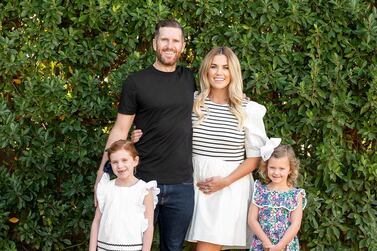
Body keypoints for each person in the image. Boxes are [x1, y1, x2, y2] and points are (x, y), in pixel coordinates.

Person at [132, 46, 280, 250]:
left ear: (233, 72)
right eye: (214, 66)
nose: (219, 73)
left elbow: (253, 159)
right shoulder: (192, 102)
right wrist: (139, 135)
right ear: (206, 71)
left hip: (226, 188)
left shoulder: (247, 109)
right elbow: (167, 128)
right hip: (190, 183)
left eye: (226, 67)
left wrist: (225, 181)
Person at [94, 19, 196, 251]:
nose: (169, 46)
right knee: (136, 245)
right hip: (142, 182)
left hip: (182, 183)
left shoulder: (190, 79)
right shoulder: (136, 82)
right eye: (165, 40)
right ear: (154, 43)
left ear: (182, 46)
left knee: (173, 248)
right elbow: (120, 128)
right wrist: (102, 171)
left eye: (175, 41)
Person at [89, 140, 158, 251]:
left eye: (124, 160)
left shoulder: (144, 190)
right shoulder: (106, 188)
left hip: (133, 247)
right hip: (105, 247)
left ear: (135, 161)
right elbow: (96, 221)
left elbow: (149, 227)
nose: (120, 166)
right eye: (115, 162)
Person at [248, 144, 307, 251]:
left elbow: (295, 225)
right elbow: (252, 220)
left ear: (290, 169)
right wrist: (266, 242)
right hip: (261, 244)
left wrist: (280, 246)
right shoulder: (260, 191)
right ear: (266, 167)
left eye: (281, 169)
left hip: (285, 246)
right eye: (272, 167)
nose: (276, 172)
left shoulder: (295, 195)